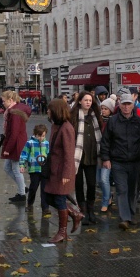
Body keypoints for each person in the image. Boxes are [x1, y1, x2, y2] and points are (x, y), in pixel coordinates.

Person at [99, 92, 140, 230]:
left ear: (133, 105)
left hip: (134, 160)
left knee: (133, 190)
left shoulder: (138, 121)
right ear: (119, 105)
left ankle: (131, 214)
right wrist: (106, 158)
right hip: (118, 161)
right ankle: (125, 217)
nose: (126, 107)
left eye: (128, 104)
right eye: (124, 104)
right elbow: (106, 141)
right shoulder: (113, 121)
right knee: (122, 189)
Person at [44, 98, 84, 243]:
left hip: (62, 171)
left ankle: (62, 232)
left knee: (60, 199)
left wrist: (67, 173)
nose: (47, 111)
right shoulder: (56, 125)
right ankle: (74, 214)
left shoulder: (66, 128)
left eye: (49, 109)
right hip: (53, 170)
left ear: (56, 111)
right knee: (48, 197)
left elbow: (69, 153)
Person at [70, 91, 102, 224]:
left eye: (90, 100)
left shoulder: (95, 116)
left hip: (92, 155)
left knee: (91, 184)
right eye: (85, 100)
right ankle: (82, 212)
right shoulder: (73, 116)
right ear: (80, 102)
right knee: (78, 185)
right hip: (77, 156)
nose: (88, 102)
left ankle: (91, 210)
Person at [1, 90, 32, 203]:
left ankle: (21, 193)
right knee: (7, 168)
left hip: (16, 144)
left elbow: (13, 133)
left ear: (10, 100)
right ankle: (23, 188)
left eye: (4, 101)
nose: (2, 103)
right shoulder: (15, 110)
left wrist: (7, 149)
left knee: (15, 169)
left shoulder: (14, 113)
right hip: (17, 143)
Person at [20, 124, 50, 215]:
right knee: (33, 187)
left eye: (43, 136)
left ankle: (45, 207)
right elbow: (24, 154)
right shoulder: (30, 143)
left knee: (44, 189)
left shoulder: (47, 143)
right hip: (34, 169)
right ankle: (29, 204)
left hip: (44, 170)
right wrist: (22, 165)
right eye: (39, 136)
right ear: (35, 134)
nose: (41, 138)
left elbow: (49, 155)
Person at [98, 98, 116, 212]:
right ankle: (109, 195)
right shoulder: (99, 121)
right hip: (99, 153)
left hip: (109, 154)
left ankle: (105, 201)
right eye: (102, 108)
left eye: (106, 109)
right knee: (99, 180)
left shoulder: (113, 121)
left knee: (104, 179)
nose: (103, 111)